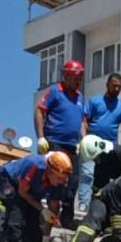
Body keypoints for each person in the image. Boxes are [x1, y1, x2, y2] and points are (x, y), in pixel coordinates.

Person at [0, 150, 72, 242]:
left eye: (64, 179)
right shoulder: (34, 165)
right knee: (16, 212)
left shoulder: (62, 182)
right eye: (59, 178)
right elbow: (22, 192)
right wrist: (42, 209)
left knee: (34, 218)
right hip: (8, 181)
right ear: (49, 170)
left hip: (29, 191)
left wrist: (46, 237)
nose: (61, 182)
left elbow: (53, 209)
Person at [34, 60, 86, 227]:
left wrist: (81, 140)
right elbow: (40, 111)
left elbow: (81, 121)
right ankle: (50, 219)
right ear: (66, 76)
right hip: (55, 142)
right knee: (56, 180)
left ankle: (67, 218)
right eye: (75, 77)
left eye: (80, 78)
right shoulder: (55, 91)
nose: (78, 81)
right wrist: (41, 137)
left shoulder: (79, 97)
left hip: (72, 145)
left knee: (73, 181)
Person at [81, 73, 121, 212]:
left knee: (102, 180)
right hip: (91, 145)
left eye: (119, 87)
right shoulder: (95, 101)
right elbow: (85, 121)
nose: (116, 89)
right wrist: (83, 139)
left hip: (109, 148)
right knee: (87, 174)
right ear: (107, 85)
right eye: (114, 85)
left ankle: (98, 208)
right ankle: (83, 206)